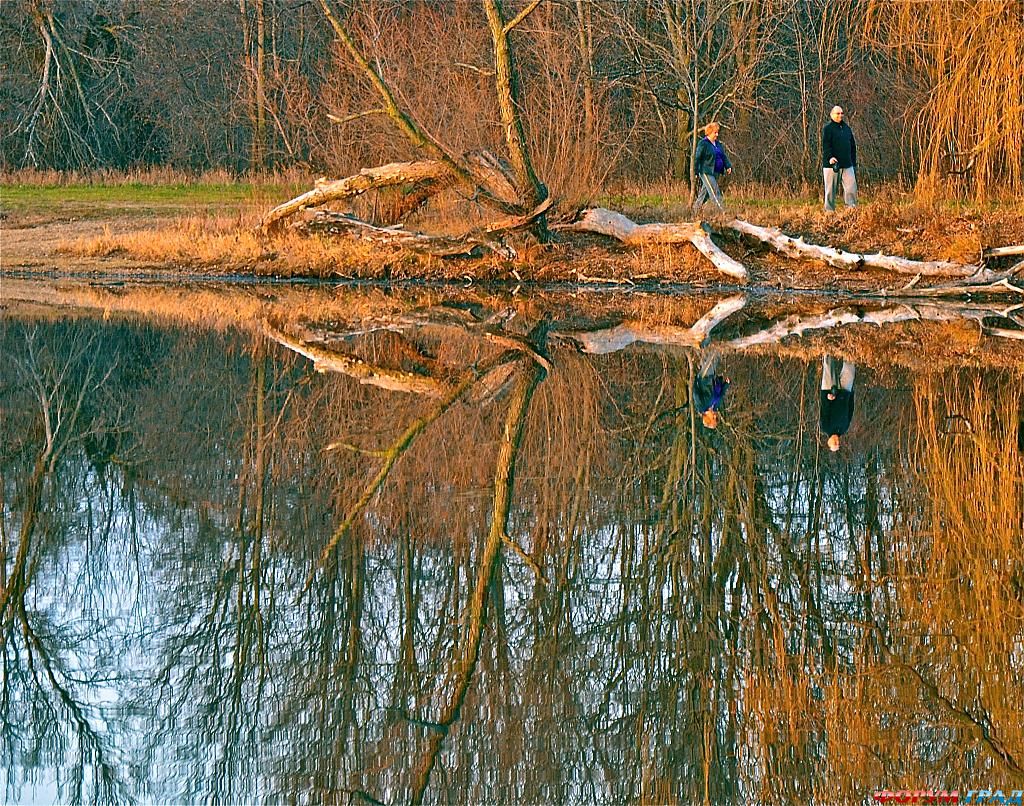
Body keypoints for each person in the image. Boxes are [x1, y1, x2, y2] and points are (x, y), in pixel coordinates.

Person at [822, 105, 858, 211]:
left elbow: (852, 146)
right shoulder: (828, 129)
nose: (840, 115)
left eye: (842, 113)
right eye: (838, 113)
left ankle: (851, 211)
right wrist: (830, 157)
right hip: (832, 165)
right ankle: (829, 212)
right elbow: (826, 145)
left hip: (847, 164)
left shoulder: (847, 128)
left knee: (851, 189)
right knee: (830, 191)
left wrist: (853, 163)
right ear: (832, 115)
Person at [693, 122, 733, 213]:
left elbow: (723, 156)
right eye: (715, 132)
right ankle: (722, 211)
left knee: (705, 194)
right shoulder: (703, 144)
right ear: (709, 132)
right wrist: (696, 171)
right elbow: (697, 158)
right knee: (715, 191)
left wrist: (728, 166)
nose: (717, 135)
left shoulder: (718, 144)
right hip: (706, 171)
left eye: (717, 132)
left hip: (716, 171)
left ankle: (695, 211)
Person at [819, 356, 855, 451]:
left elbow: (824, 408)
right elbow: (850, 409)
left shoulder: (825, 427)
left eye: (835, 444)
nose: (837, 442)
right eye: (838, 444)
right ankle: (850, 349)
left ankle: (827, 347)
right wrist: (851, 393)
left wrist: (828, 398)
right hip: (845, 392)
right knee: (850, 368)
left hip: (830, 391)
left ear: (829, 442)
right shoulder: (844, 428)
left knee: (828, 363)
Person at [693, 350, 729, 429]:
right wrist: (726, 384)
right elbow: (721, 395)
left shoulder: (701, 407)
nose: (715, 416)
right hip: (713, 378)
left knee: (713, 355)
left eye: (713, 418)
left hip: (705, 378)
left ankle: (714, 345)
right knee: (709, 356)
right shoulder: (715, 407)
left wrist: (696, 379)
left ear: (708, 418)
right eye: (716, 418)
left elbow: (695, 393)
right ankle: (706, 345)